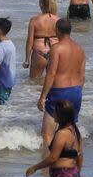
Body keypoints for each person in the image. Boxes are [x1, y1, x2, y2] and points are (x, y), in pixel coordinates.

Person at [37, 17, 86, 145]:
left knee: (47, 134)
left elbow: (51, 73)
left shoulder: (56, 48)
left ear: (57, 30)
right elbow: (82, 75)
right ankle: (71, 160)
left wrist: (42, 97)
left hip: (59, 92)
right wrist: (78, 91)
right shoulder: (80, 49)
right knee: (70, 130)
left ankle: (51, 162)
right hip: (76, 91)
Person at [26, 99, 83, 177]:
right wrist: (77, 175)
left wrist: (35, 167)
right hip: (72, 174)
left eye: (55, 111)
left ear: (61, 115)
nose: (53, 113)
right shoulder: (75, 131)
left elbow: (53, 158)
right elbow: (80, 155)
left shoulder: (62, 134)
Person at [24, 0, 60, 78]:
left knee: (33, 81)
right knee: (53, 82)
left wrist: (27, 59)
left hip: (39, 52)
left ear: (41, 4)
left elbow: (30, 41)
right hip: (55, 52)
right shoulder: (59, 20)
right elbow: (64, 40)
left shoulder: (34, 20)